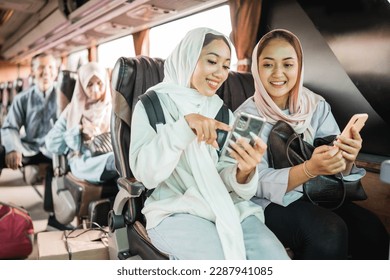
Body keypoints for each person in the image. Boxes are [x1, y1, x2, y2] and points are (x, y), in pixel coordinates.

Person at [129, 27, 289, 260]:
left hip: (227, 206)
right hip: (175, 209)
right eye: (212, 61)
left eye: (225, 66)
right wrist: (183, 128)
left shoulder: (222, 113)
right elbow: (146, 174)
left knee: (276, 259)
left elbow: (225, 177)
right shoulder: (152, 105)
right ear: (189, 58)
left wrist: (244, 171)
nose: (220, 73)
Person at [236, 29, 389, 259]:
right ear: (257, 69)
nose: (278, 73)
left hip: (317, 193)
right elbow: (250, 183)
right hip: (267, 202)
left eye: (288, 64)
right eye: (268, 65)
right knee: (328, 232)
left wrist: (346, 158)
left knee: (372, 230)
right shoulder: (245, 118)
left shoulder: (316, 105)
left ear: (299, 67)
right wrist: (309, 169)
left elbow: (336, 167)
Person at [0, 52, 72, 230]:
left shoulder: (64, 96)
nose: (45, 72)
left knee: (67, 162)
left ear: (56, 72)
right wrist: (13, 148)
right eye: (41, 68)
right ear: (32, 72)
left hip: (54, 149)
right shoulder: (22, 98)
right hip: (29, 148)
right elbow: (10, 126)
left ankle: (57, 218)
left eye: (50, 68)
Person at [45, 62, 117, 184]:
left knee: (121, 162)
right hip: (84, 161)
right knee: (119, 162)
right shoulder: (72, 110)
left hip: (112, 155)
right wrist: (77, 131)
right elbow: (51, 143)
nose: (95, 89)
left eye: (99, 83)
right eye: (89, 84)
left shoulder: (114, 108)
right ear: (82, 85)